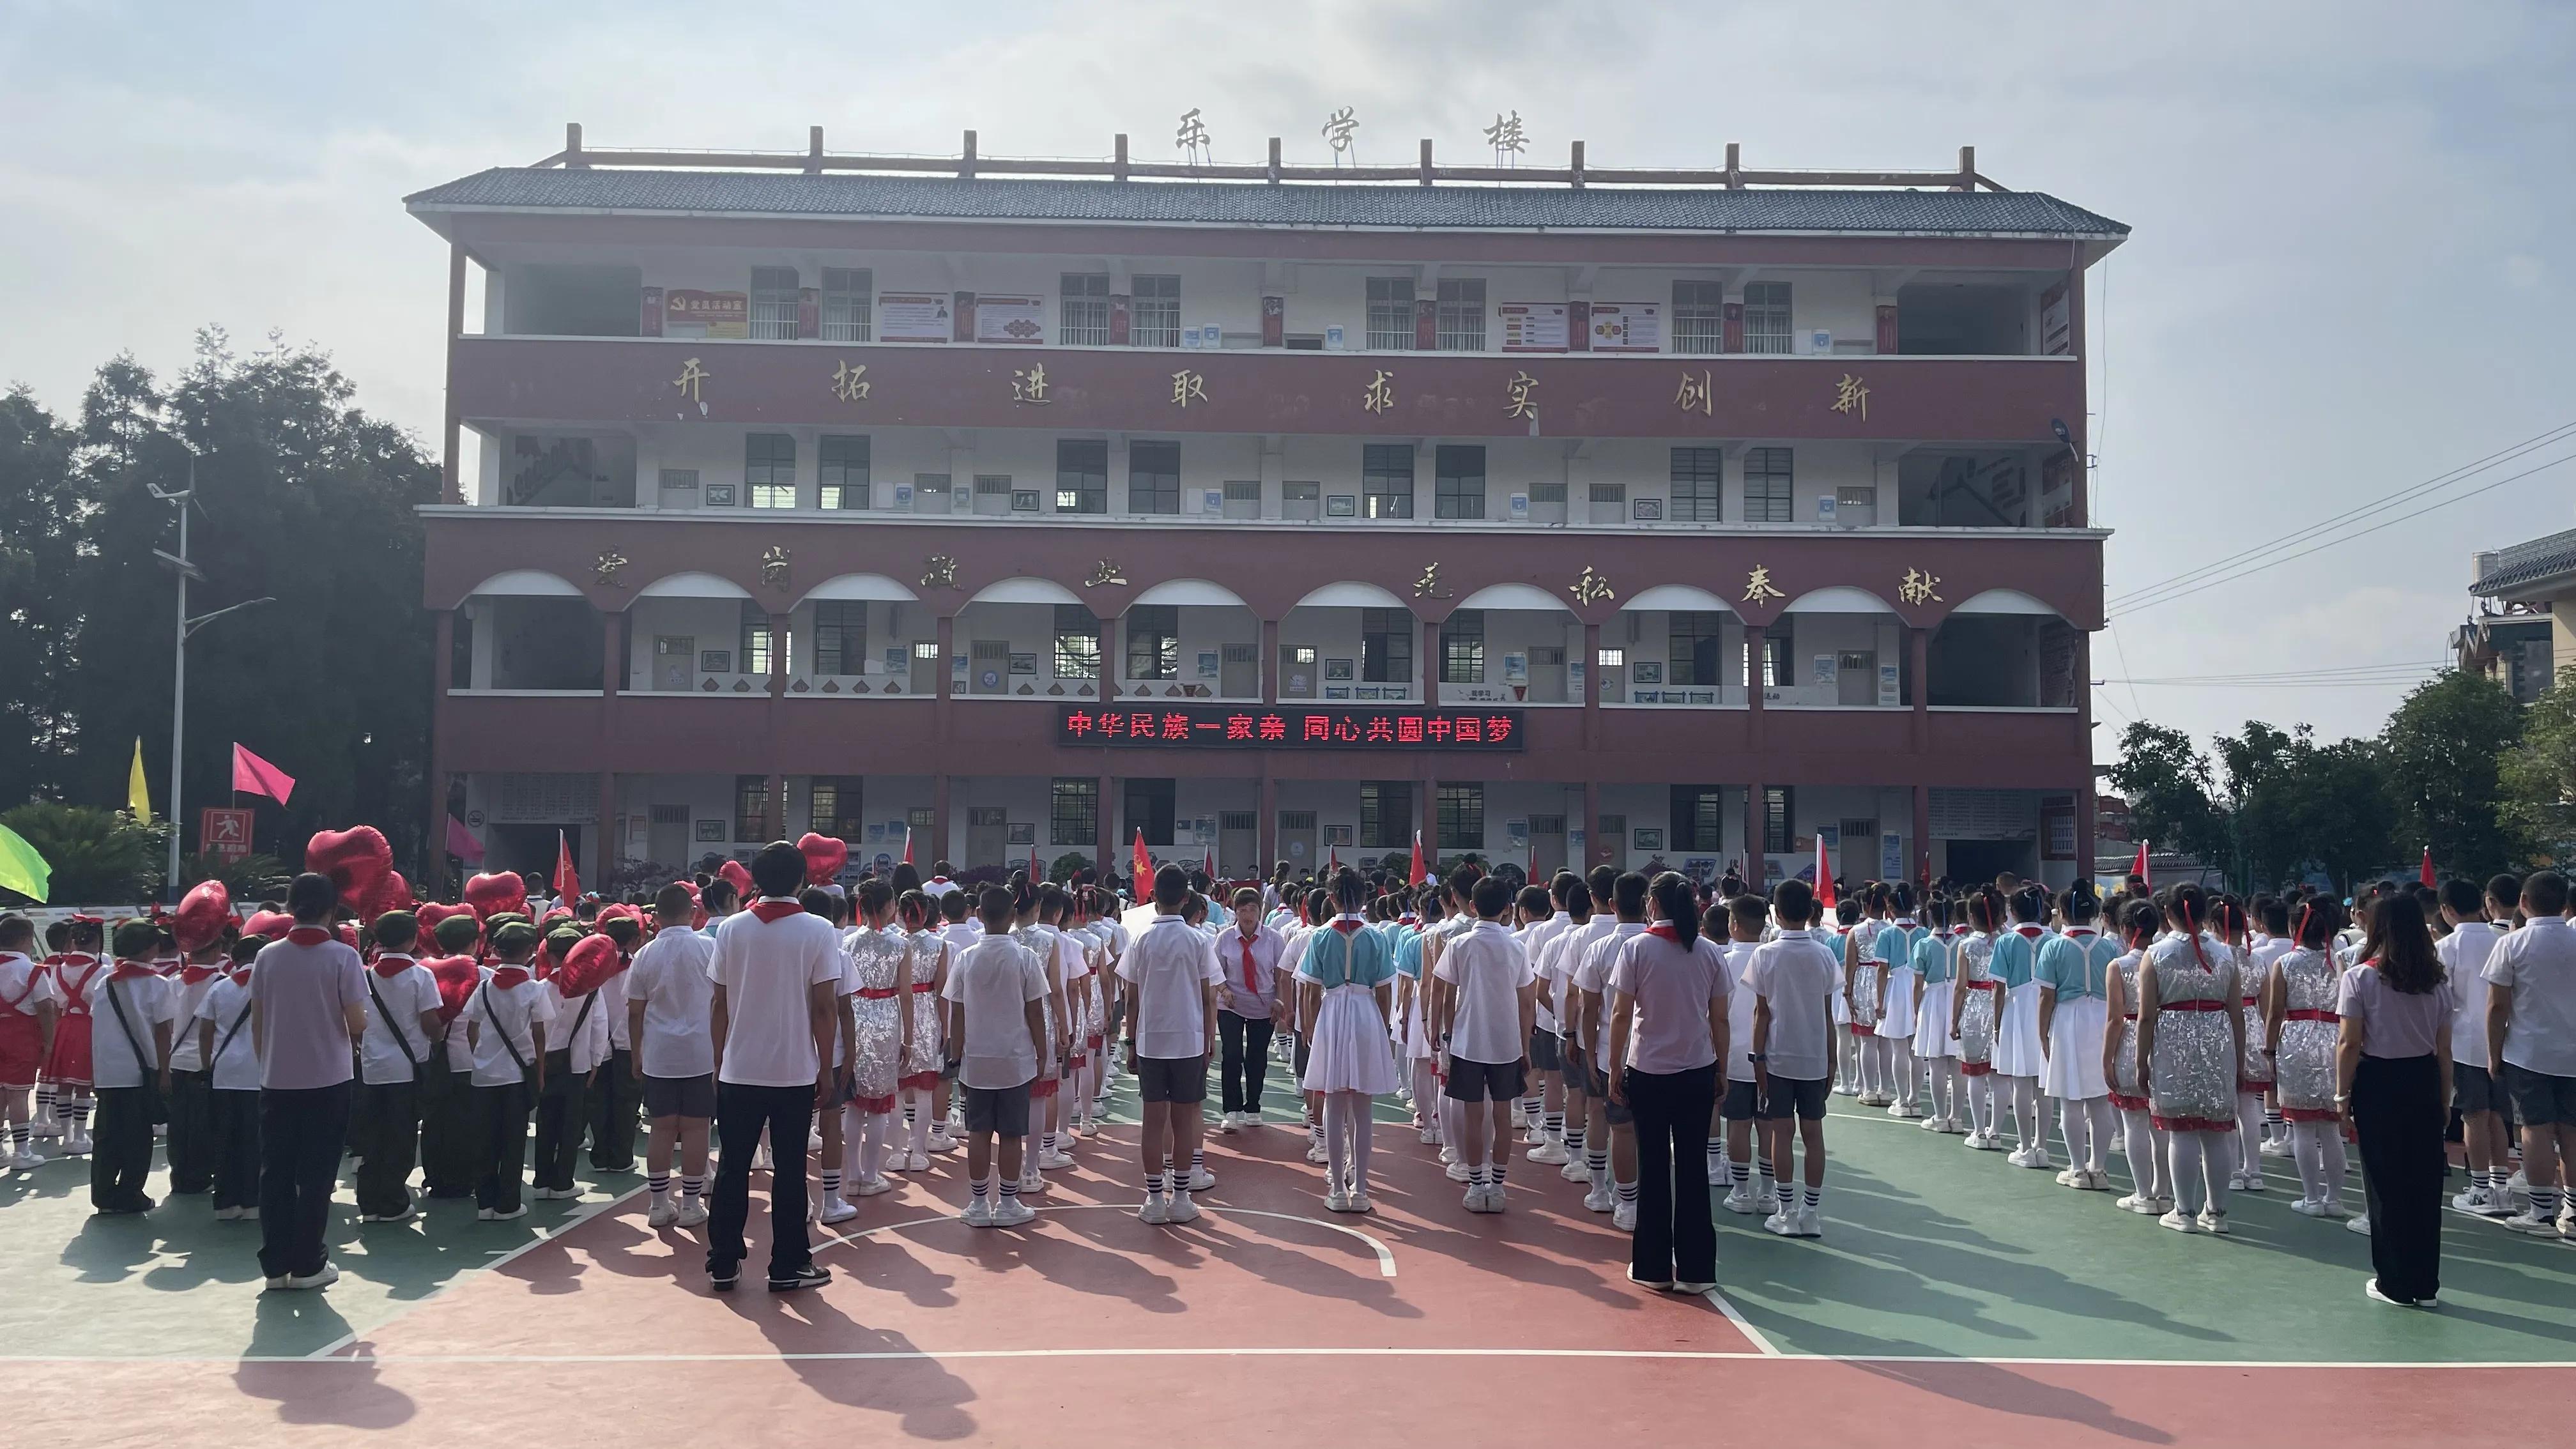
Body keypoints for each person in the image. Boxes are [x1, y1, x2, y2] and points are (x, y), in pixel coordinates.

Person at [705, 842, 843, 1292]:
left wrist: (718, 1060)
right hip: (793, 1070)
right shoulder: (819, 930)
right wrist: (826, 1067)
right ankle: (787, 1263)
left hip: (739, 1068)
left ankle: (723, 1260)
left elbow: (719, 1003)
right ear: (802, 879)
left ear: (757, 880)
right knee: (788, 1169)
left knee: (733, 1165)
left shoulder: (731, 930)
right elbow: (825, 1008)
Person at [1607, 872, 1733, 1287]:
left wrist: (1613, 1066)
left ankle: (1653, 1268)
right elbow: (1720, 1018)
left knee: (1654, 1167)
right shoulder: (1710, 952)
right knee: (1694, 1168)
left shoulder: (1637, 949)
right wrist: (1722, 1068)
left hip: (1649, 1071)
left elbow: (1622, 1015)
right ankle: (1698, 1270)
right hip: (1697, 1069)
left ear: (1653, 904)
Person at [252, 874, 370, 1289]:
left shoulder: (267, 956)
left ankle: (276, 1264)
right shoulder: (342, 956)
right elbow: (357, 1021)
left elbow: (259, 1019)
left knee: (276, 1173)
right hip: (328, 1077)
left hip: (277, 1078)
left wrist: (266, 1063)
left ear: (289, 907)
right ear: (331, 910)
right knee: (317, 1174)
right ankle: (308, 1263)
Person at [2338, 889, 2455, 1303]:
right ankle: (2426, 1284)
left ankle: (2394, 1281)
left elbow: (2349, 1044)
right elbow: (2444, 1050)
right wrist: (2444, 1099)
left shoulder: (2361, 977)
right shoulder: (2436, 980)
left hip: (2378, 1080)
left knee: (2385, 1184)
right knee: (2424, 1185)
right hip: (2423, 1078)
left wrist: (2341, 1098)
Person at [2136, 884, 2246, 1236]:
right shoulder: (2227, 955)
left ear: (2168, 915)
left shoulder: (2155, 954)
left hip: (2172, 1042)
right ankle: (2217, 1212)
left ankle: (2183, 1210)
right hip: (2217, 1040)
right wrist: (2239, 1061)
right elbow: (2237, 1013)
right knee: (2215, 1132)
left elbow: (2146, 1016)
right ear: (2202, 914)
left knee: (2181, 1129)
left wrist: (2141, 1061)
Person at [1119, 865, 1223, 1225]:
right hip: (1189, 1039)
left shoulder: (1140, 939)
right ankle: (1180, 1197)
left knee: (1153, 1121)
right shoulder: (1197, 940)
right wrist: (1210, 1039)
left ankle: (1153, 1198)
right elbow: (1209, 994)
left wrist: (1130, 1041)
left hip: (1150, 1039)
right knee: (1182, 1120)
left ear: (1153, 897)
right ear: (1185, 898)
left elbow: (1130, 997)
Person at [945, 885, 1049, 1228]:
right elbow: (1035, 1012)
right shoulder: (1024, 957)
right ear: (1011, 917)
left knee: (978, 1131)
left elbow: (956, 1012)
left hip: (976, 1059)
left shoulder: (966, 957)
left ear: (979, 915)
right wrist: (1042, 1052)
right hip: (1015, 1058)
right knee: (1010, 1133)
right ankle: (1007, 1202)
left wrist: (955, 1053)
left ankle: (978, 1204)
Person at [1433, 874, 1537, 1213]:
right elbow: (1527, 1002)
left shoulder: (1460, 944)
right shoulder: (1516, 947)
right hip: (1507, 1043)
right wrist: (1525, 1046)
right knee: (1503, 1115)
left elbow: (1446, 993)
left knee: (1473, 1114)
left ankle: (1476, 1186)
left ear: (1472, 905)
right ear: (1509, 909)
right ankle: (1498, 1186)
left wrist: (1444, 1033)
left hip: (1468, 1041)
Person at [1297, 869, 1399, 1212]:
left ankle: (1338, 1187)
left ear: (1331, 898)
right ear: (1364, 897)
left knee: (1334, 1099)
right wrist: (1381, 1028)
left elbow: (1311, 990)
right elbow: (1384, 991)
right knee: (1363, 1105)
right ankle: (1362, 1188)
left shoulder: (1320, 937)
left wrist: (1310, 1027)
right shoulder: (1376, 937)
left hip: (1332, 1011)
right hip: (1365, 1011)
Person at [2485, 870, 2574, 1238]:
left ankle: (2540, 1213)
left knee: (2534, 1128)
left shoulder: (2512, 944)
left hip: (2528, 1051)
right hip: (2573, 1052)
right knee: (2572, 1129)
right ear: (2564, 904)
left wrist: (2493, 1053)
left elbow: (2497, 1007)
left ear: (2523, 902)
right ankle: (2573, 1212)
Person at [1749, 878, 1837, 1239]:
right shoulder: (1824, 954)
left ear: (1778, 912)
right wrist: (1832, 1061)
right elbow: (1828, 1014)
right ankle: (1811, 1213)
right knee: (1813, 1134)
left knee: (1781, 1133)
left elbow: (1761, 1014)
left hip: (1778, 1058)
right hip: (1815, 1057)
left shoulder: (1766, 955)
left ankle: (1786, 1212)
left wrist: (1757, 1059)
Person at [627, 882, 716, 1229]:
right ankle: (692, 1205)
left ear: (656, 917)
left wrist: (637, 1052)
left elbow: (635, 1011)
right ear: (692, 913)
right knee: (697, 1129)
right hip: (700, 1052)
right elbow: (722, 1001)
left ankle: (658, 1204)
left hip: (659, 1054)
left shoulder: (645, 955)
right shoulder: (708, 948)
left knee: (661, 1129)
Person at [354, 910, 442, 1223]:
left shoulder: (364, 976)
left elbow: (355, 1023)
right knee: (401, 1135)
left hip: (372, 1068)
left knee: (373, 1135)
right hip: (408, 1069)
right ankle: (393, 1200)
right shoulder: (421, 976)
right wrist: (439, 1035)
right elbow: (431, 1022)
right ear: (413, 940)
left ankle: (369, 1201)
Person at [462, 919, 551, 1222]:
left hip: (483, 1075)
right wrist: (540, 1071)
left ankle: (485, 1202)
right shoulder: (534, 990)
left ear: (497, 951)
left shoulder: (484, 987)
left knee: (483, 1140)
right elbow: (540, 1035)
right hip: (517, 1075)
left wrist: (482, 1055)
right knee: (513, 1140)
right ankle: (508, 1203)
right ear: (530, 952)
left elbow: (471, 1028)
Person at [2266, 899, 2349, 1216]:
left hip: (2296, 1040)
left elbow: (2275, 1014)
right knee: (2330, 1127)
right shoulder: (2340, 962)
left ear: (2293, 928)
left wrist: (2270, 1051)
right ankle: (2335, 1198)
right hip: (2333, 1039)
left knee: (2302, 1127)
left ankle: (2312, 1197)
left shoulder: (2285, 964)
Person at [88, 919, 177, 1215]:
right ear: (151, 949)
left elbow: (98, 1028)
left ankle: (103, 1195)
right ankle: (130, 1193)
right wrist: (165, 1071)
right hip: (141, 1073)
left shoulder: (105, 983)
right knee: (138, 1138)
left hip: (108, 1071)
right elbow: (163, 1032)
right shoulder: (157, 985)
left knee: (106, 1136)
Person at [1577, 872, 1650, 1228]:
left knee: (1608, 1123)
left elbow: (1589, 1007)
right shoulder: (1662, 945)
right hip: (1654, 1055)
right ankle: (1640, 1200)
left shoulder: (1600, 948)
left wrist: (1590, 1053)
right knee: (1648, 1132)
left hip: (1610, 1052)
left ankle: (1607, 1194)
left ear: (1612, 905)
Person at [2036, 882, 2119, 1191]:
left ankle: (2077, 1168)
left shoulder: (2054, 947)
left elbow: (2046, 996)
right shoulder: (2109, 947)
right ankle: (2099, 1168)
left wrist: (2042, 1032)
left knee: (2070, 1100)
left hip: (2069, 1019)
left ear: (2062, 914)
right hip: (2102, 1018)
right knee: (2100, 1100)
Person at [2101, 902, 2172, 1215]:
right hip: (2164, 1042)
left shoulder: (2118, 965)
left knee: (2134, 1123)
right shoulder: (2165, 959)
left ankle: (2143, 1193)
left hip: (2131, 1040)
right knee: (2161, 1125)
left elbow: (2115, 1019)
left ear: (2125, 928)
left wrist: (2107, 1058)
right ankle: (2164, 1191)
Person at [1988, 885, 2055, 1170]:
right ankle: (2041, 1146)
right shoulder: (2054, 940)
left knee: (2021, 1082)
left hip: (2016, 1011)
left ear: (2012, 912)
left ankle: (2026, 1146)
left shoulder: (2005, 942)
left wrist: (1996, 1023)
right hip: (2047, 1011)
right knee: (2044, 1084)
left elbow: (1998, 989)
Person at [197, 934, 264, 1218]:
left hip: (224, 1071)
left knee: (224, 1138)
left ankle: (225, 1201)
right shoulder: (272, 988)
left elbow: (205, 1032)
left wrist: (206, 1066)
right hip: (261, 1071)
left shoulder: (219, 988)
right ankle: (252, 1201)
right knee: (255, 1140)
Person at [1216, 887, 1287, 1131]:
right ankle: (1231, 1110)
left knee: (1257, 1058)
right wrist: (1225, 991)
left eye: (1253, 909)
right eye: (1242, 910)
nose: (1248, 915)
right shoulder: (1225, 938)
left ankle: (1253, 1106)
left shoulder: (1274, 938)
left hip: (1264, 1006)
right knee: (1232, 1055)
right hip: (1231, 1005)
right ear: (1235, 911)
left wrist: (1280, 1000)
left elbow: (1281, 974)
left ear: (1261, 911)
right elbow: (1216, 973)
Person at [1713, 893, 1768, 1210]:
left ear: (1733, 925)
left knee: (1737, 1124)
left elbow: (1717, 1014)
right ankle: (1769, 1191)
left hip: (1733, 1057)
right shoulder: (1770, 957)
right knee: (1769, 1125)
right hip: (1769, 1058)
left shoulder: (1724, 962)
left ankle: (1741, 1191)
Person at [1, 914, 65, 1170]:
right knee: (18, 1095)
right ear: (26, 939)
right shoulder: (32, 970)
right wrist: (49, 1043)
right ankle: (22, 1152)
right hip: (22, 1037)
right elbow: (46, 1008)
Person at [1909, 896, 1964, 1134]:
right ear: (1952, 916)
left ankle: (1940, 1116)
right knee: (1958, 1064)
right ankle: (1957, 1117)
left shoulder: (1923, 945)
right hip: (1958, 999)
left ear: (1930, 916)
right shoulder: (1963, 942)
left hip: (1933, 1000)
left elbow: (1917, 983)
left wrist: (1915, 1011)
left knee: (1938, 1062)